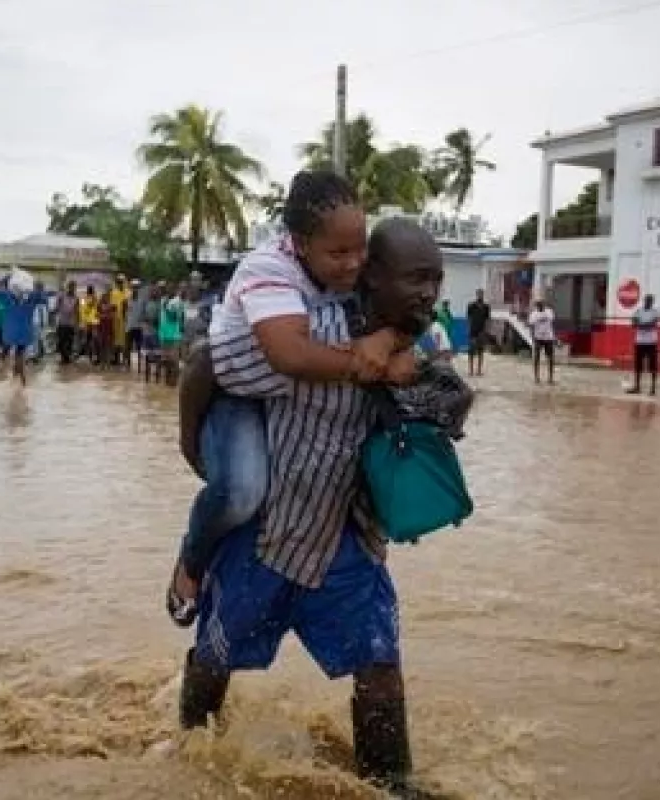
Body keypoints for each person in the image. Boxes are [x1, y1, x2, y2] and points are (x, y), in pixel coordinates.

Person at [176, 213, 446, 797]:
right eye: (416, 278)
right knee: (213, 657)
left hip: (348, 543)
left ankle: (391, 784)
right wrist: (191, 447)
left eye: (437, 280)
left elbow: (446, 419)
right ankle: (184, 757)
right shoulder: (300, 333)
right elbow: (205, 363)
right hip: (267, 536)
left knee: (379, 667)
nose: (429, 293)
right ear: (371, 277)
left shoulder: (428, 343)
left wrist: (426, 389)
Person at [166, 170, 402, 626]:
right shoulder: (267, 269)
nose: (355, 264)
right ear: (299, 243)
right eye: (338, 253)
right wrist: (379, 361)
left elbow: (403, 310)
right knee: (241, 491)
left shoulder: (352, 270)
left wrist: (390, 335)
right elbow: (291, 356)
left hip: (297, 396)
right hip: (239, 390)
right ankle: (191, 563)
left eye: (361, 248)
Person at [627, 294, 660, 396]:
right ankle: (637, 387)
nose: (648, 302)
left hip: (651, 342)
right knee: (638, 365)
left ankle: (653, 388)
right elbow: (633, 324)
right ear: (644, 300)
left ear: (652, 302)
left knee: (653, 366)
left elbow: (653, 324)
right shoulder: (638, 311)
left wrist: (641, 324)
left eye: (650, 301)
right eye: (647, 300)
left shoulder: (655, 312)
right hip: (640, 342)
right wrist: (644, 324)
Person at [157, 284, 186, 383]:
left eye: (170, 290)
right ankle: (167, 381)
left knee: (174, 360)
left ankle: (174, 381)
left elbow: (176, 317)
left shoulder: (178, 302)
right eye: (167, 289)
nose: (168, 291)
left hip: (174, 335)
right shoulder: (163, 300)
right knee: (166, 360)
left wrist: (167, 309)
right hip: (164, 333)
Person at [527, 299, 556, 384]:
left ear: (544, 305)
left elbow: (553, 324)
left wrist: (554, 336)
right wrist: (532, 337)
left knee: (550, 358)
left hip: (548, 338)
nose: (540, 306)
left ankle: (550, 378)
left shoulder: (549, 312)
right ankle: (536, 377)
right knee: (536, 357)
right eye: (538, 305)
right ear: (536, 306)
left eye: (541, 305)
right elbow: (531, 327)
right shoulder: (533, 314)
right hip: (538, 338)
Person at [466, 289, 491, 376]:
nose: (480, 296)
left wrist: (486, 331)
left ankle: (479, 370)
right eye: (479, 294)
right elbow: (468, 318)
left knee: (480, 351)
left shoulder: (486, 307)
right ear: (476, 295)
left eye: (481, 294)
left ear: (483, 295)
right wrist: (469, 330)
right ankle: (471, 370)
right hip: (473, 331)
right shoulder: (471, 305)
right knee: (471, 351)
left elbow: (487, 320)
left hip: (482, 331)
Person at [55, 281, 80, 365]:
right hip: (62, 322)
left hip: (71, 323)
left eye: (74, 287)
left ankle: (67, 358)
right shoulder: (62, 296)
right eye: (71, 287)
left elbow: (77, 311)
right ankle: (64, 357)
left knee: (69, 341)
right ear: (68, 287)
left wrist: (77, 323)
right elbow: (57, 307)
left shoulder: (76, 298)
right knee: (61, 341)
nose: (72, 289)